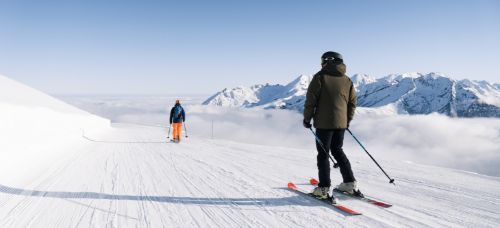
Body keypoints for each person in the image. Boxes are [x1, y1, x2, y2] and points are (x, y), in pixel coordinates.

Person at [303, 51, 359, 199]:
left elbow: (311, 101)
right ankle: (349, 183)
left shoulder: (320, 77)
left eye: (323, 60)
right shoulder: (347, 80)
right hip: (341, 124)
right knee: (338, 150)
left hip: (323, 124)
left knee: (323, 154)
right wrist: (347, 120)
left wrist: (307, 119)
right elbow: (352, 103)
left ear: (328, 61)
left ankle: (323, 188)